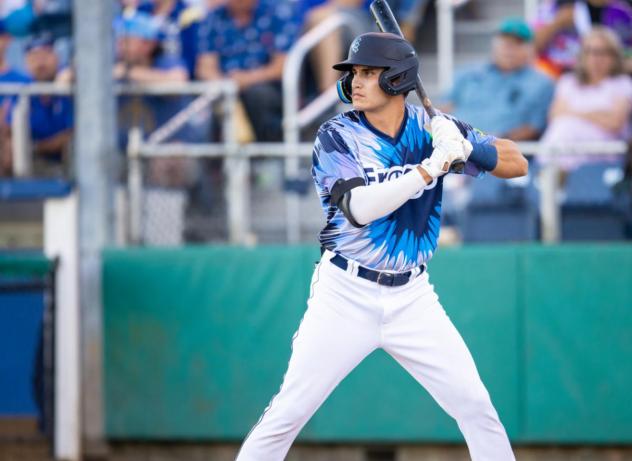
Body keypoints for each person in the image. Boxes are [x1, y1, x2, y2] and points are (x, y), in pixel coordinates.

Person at [235, 32, 528, 461]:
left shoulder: (434, 129)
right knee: (290, 411)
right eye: (354, 73)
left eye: (369, 74)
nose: (355, 82)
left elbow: (516, 162)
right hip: (345, 294)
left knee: (476, 405)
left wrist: (467, 147)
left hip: (413, 297)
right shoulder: (336, 135)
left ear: (397, 79)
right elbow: (360, 208)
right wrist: (431, 168)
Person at [196, 0, 299, 141]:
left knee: (259, 95)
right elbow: (205, 67)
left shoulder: (277, 13)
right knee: (207, 99)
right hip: (225, 88)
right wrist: (226, 85)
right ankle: (214, 159)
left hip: (268, 88)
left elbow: (281, 67)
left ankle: (267, 154)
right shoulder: (213, 17)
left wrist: (247, 79)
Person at [441, 18, 554, 142]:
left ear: (530, 49)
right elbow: (444, 108)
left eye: (517, 44)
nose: (509, 49)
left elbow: (534, 127)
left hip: (501, 152)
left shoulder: (541, 83)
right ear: (494, 44)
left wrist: (489, 143)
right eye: (505, 43)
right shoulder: (468, 73)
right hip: (454, 144)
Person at [541, 26, 632, 170]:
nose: (595, 58)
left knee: (566, 127)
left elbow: (615, 123)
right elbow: (554, 116)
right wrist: (597, 114)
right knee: (563, 128)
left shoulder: (622, 84)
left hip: (605, 154)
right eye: (589, 52)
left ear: (614, 56)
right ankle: (554, 177)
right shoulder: (568, 81)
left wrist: (573, 112)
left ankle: (552, 179)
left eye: (602, 52)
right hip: (566, 147)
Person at [533, 0, 632, 78]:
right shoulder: (556, 6)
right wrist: (557, 23)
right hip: (558, 75)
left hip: (610, 78)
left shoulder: (623, 12)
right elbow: (532, 46)